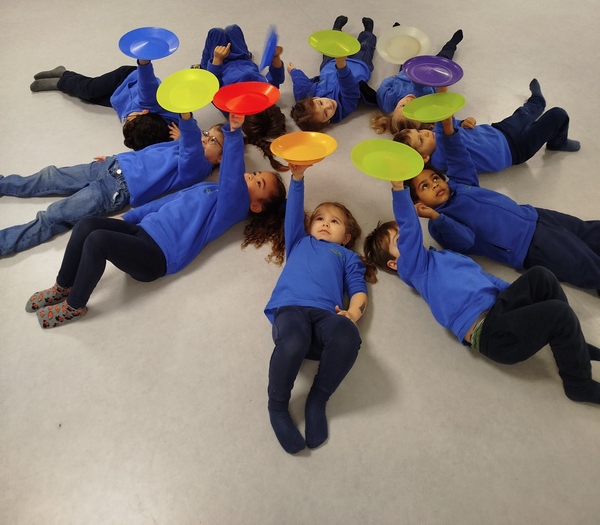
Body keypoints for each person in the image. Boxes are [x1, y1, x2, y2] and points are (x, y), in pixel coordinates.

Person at [26, 114, 287, 328]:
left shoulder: (233, 208)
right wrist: (130, 217)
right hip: (143, 230)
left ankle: (74, 306)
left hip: (159, 255)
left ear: (256, 206)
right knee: (87, 225)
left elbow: (231, 177)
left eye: (258, 183)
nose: (251, 177)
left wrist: (234, 133)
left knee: (97, 241)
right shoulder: (208, 187)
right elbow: (166, 202)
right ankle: (63, 285)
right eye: (255, 173)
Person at [363, 180, 600, 406]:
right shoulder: (414, 270)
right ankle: (577, 384)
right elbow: (411, 228)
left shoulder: (442, 257)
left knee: (542, 277)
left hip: (500, 307)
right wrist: (399, 189)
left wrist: (518, 296)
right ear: (395, 263)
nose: (408, 240)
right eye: (400, 241)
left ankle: (573, 345)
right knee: (559, 314)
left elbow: (485, 279)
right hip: (490, 332)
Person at [406, 115, 600, 291]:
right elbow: (464, 240)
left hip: (533, 215)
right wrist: (436, 217)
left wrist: (448, 128)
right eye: (425, 187)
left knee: (584, 231)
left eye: (435, 178)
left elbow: (458, 156)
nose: (434, 184)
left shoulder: (459, 184)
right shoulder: (439, 224)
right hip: (528, 245)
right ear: (418, 203)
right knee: (584, 264)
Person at [0, 114, 223, 256]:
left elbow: (191, 153)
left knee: (54, 215)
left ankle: (4, 242)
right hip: (111, 165)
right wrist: (114, 158)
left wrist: (188, 122)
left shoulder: (199, 168)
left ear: (220, 158)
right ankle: (4, 184)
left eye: (213, 140)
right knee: (49, 176)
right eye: (206, 133)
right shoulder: (184, 144)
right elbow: (147, 154)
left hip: (116, 189)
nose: (205, 138)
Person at [264, 162, 371, 454]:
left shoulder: (346, 256)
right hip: (291, 309)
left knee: (349, 335)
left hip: (326, 317)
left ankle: (317, 400)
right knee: (293, 341)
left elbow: (359, 291)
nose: (325, 223)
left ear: (346, 238)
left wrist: (352, 314)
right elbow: (293, 211)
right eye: (320, 218)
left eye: (335, 222)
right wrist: (297, 177)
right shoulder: (299, 241)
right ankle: (277, 407)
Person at [394, 78, 579, 173]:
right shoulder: (440, 159)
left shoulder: (434, 132)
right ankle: (558, 142)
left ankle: (537, 99)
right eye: (421, 140)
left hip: (499, 131)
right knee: (558, 115)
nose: (425, 133)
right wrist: (438, 91)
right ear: (424, 157)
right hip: (516, 151)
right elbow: (444, 123)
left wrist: (465, 122)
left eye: (419, 131)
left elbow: (453, 124)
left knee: (527, 111)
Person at [194, 24, 287, 168]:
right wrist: (276, 58)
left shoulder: (228, 105)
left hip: (220, 64)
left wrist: (217, 60)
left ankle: (201, 67)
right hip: (243, 58)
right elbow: (276, 79)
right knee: (233, 29)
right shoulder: (265, 95)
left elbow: (212, 84)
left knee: (216, 32)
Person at [30, 59, 178, 150]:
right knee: (89, 90)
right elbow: (147, 83)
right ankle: (61, 78)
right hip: (125, 79)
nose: (125, 120)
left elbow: (157, 153)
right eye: (129, 119)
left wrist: (180, 139)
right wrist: (144, 63)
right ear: (145, 111)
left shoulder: (157, 137)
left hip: (120, 100)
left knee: (91, 98)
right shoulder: (151, 101)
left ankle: (65, 77)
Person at [288, 16, 377, 131]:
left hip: (330, 65)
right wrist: (341, 64)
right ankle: (368, 32)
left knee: (331, 46)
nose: (328, 105)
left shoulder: (306, 96)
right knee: (365, 48)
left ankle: (336, 30)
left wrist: (293, 71)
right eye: (326, 114)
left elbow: (300, 85)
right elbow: (349, 87)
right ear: (327, 122)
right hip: (358, 66)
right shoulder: (345, 107)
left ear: (314, 98)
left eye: (321, 103)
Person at [369, 28, 463, 134]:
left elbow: (383, 88)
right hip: (430, 76)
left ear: (392, 113)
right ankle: (452, 44)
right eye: (412, 109)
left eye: (403, 106)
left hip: (406, 73)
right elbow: (439, 99)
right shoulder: (426, 103)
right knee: (443, 58)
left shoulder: (387, 103)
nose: (409, 102)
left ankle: (398, 34)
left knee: (405, 52)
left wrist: (393, 79)